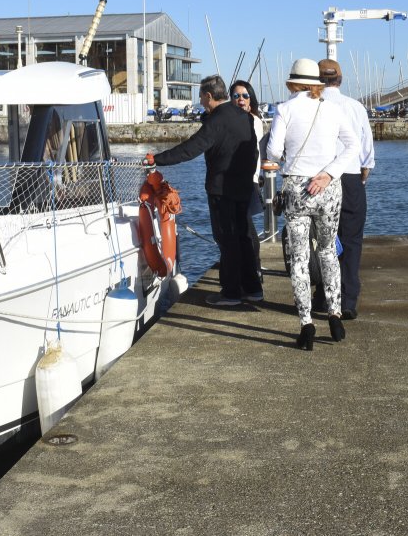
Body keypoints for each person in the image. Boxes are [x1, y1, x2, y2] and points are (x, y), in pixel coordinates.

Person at [267, 58, 358, 350]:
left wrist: (289, 160)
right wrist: (328, 173)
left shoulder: (285, 110)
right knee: (329, 251)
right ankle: (334, 313)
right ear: (317, 83)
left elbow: (273, 150)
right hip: (328, 187)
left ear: (291, 83)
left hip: (297, 188)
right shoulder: (332, 109)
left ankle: (306, 323)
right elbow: (353, 146)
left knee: (300, 258)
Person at [148, 75, 263, 306]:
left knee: (227, 240)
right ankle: (253, 288)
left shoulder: (217, 120)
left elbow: (190, 149)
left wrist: (157, 160)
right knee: (243, 238)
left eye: (201, 96)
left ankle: (230, 293)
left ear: (209, 96)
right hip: (243, 186)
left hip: (222, 190)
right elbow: (254, 152)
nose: (200, 101)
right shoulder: (245, 117)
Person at [317, 58, 374, 320]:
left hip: (319, 179)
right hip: (350, 176)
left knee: (322, 240)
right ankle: (348, 300)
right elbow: (366, 148)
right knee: (351, 240)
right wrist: (363, 173)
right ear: (339, 79)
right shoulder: (355, 107)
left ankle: (323, 296)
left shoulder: (313, 106)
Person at [229, 79, 267, 285]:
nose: (241, 99)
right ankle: (249, 268)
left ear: (251, 99)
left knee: (246, 227)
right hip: (234, 181)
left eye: (245, 96)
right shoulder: (234, 119)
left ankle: (255, 267)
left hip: (248, 179)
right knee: (241, 226)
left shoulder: (253, 121)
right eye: (236, 96)